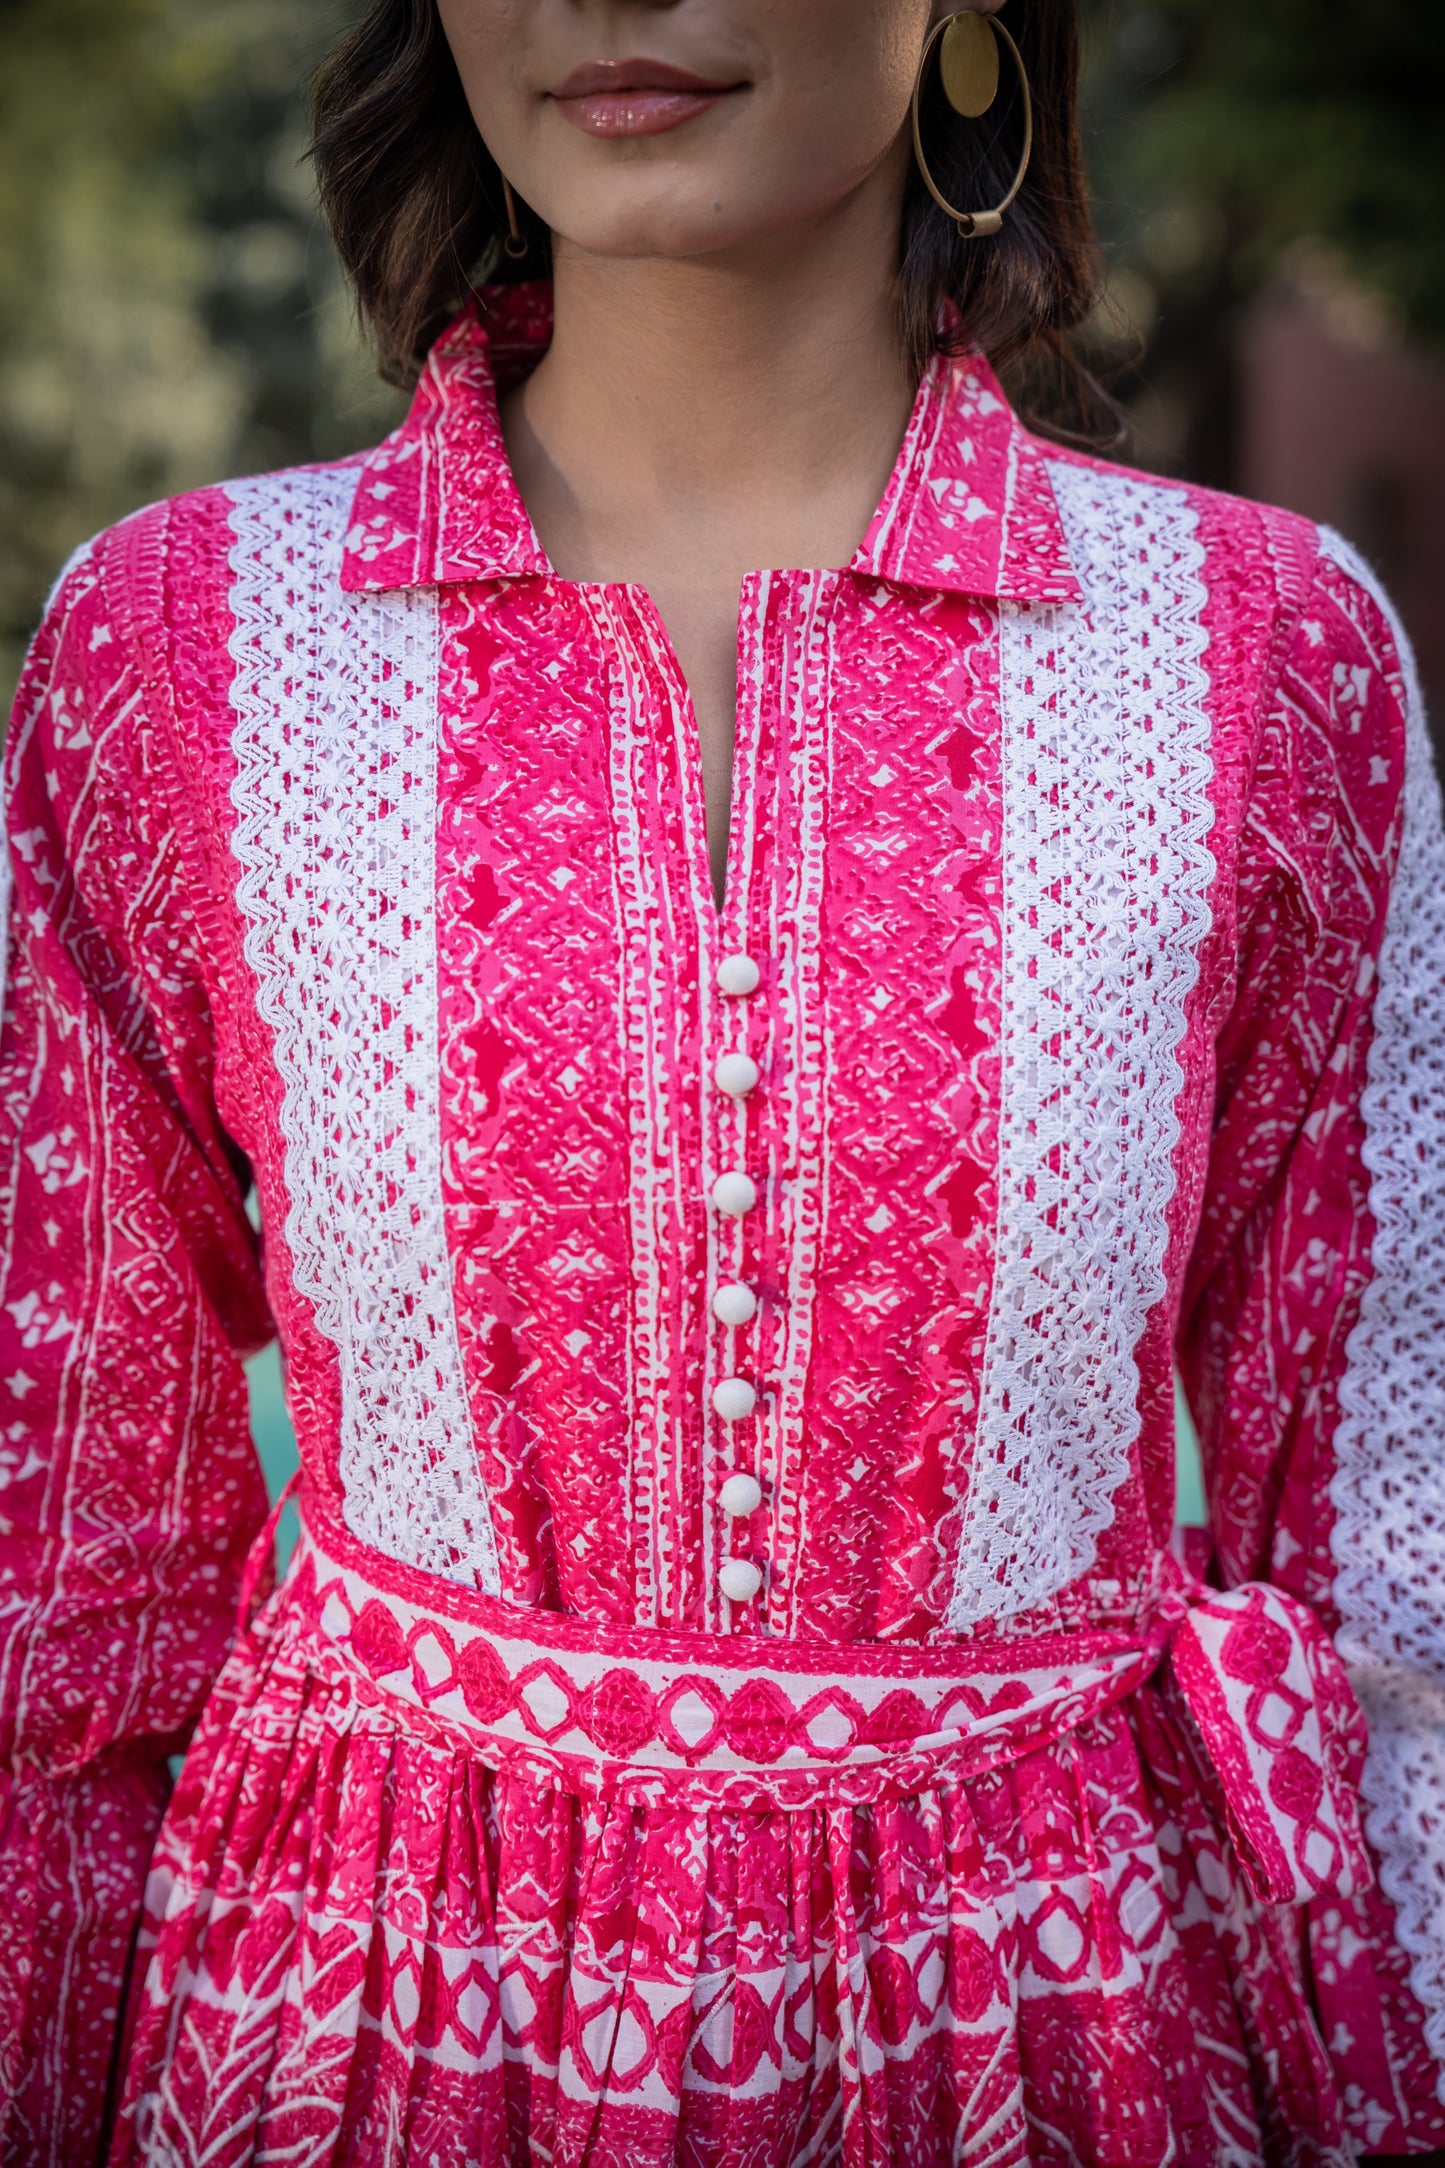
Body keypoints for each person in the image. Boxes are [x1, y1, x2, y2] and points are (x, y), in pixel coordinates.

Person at [1, 0, 1442, 2160]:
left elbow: (1401, 1566)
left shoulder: (1264, 661)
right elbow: (65, 1616)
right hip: (358, 2039)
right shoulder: (185, 656)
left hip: (1067, 2054)